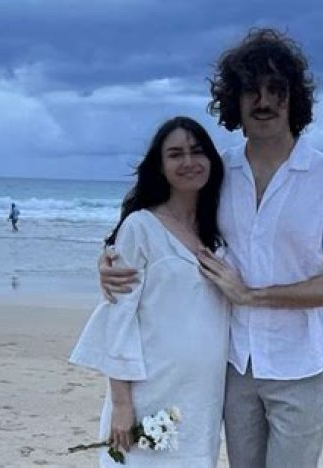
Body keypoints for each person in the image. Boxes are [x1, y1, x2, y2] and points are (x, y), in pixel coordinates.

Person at [99, 28, 323, 468]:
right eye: (251, 90)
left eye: (276, 89)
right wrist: (110, 262)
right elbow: (164, 223)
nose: (264, 101)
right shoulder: (217, 172)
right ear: (234, 100)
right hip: (234, 365)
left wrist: (252, 296)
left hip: (302, 364)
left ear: (294, 98)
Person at [69, 116, 229, 467]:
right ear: (160, 165)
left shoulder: (220, 229)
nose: (188, 161)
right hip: (150, 389)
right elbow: (119, 317)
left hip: (202, 397)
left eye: (197, 151)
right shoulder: (141, 227)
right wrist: (122, 404)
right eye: (175, 154)